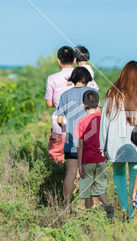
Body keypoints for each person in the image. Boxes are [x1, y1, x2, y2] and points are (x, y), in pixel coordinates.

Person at [99, 61, 137, 220]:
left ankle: (126, 209)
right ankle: (134, 210)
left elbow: (105, 122)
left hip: (116, 144)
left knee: (118, 174)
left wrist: (102, 145)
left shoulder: (112, 94)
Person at [56, 66, 97, 212]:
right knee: (89, 175)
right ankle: (88, 207)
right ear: (87, 79)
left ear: (73, 79)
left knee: (70, 174)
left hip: (72, 140)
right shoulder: (93, 93)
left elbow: (60, 120)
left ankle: (67, 206)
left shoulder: (65, 95)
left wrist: (65, 129)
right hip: (90, 142)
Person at [75, 90, 114, 218]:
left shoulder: (81, 122)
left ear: (82, 104)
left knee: (87, 190)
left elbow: (80, 145)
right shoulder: (103, 120)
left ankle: (89, 215)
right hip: (101, 159)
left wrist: (79, 164)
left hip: (87, 159)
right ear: (98, 104)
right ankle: (107, 205)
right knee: (100, 188)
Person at [44, 46, 75, 163]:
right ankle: (75, 179)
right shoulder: (82, 76)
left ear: (58, 60)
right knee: (76, 155)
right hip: (77, 123)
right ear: (75, 60)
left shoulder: (52, 78)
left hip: (59, 123)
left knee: (56, 152)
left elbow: (49, 103)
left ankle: (57, 176)